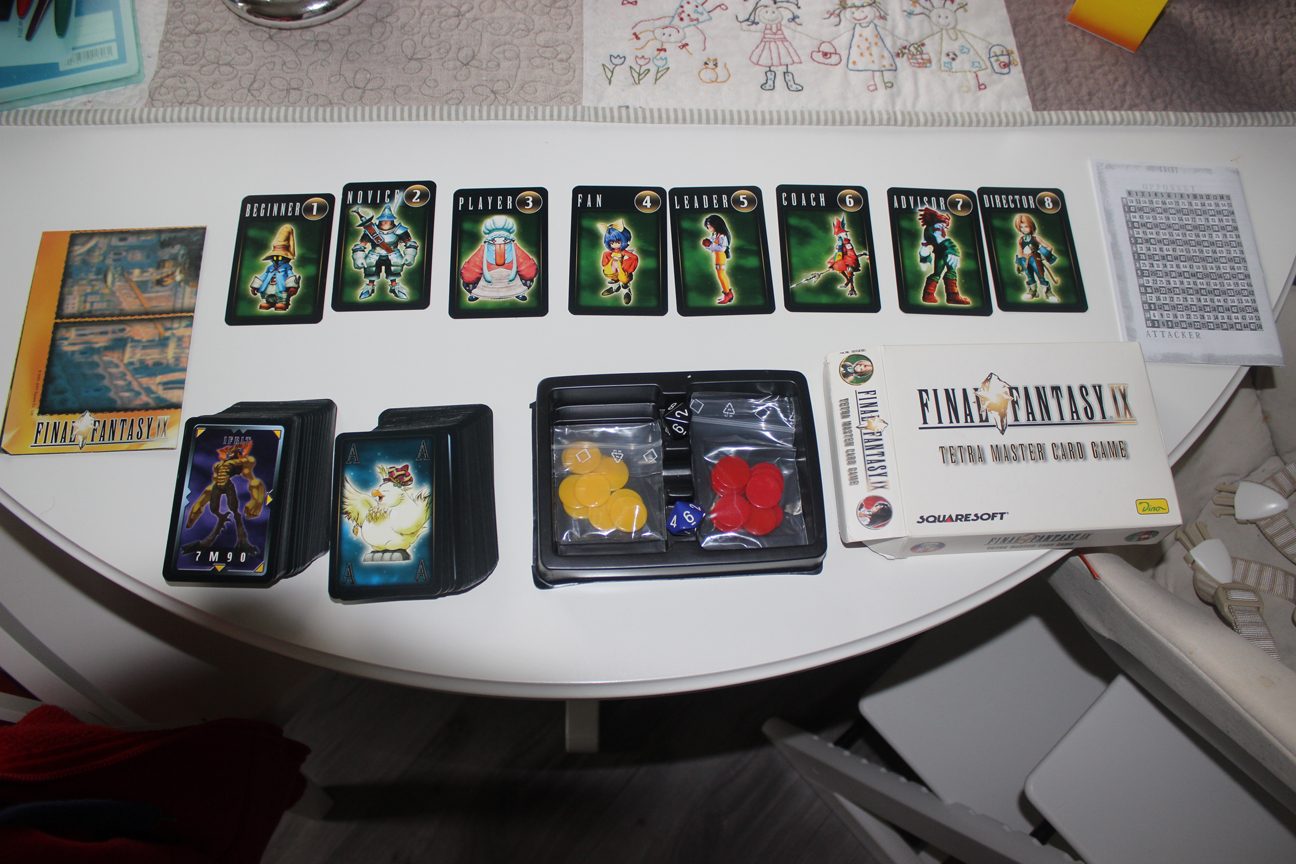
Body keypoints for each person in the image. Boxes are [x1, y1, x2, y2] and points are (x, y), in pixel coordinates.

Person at [351, 203, 419, 301]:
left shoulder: (400, 230)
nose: (385, 221)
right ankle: (370, 286)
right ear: (380, 220)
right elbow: (361, 244)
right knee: (370, 266)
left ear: (392, 220)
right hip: (374, 253)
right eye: (383, 220)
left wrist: (409, 255)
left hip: (393, 254)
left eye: (388, 220)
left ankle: (394, 286)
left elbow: (410, 243)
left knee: (395, 267)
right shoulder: (371, 230)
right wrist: (358, 257)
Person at [739, 0, 806, 92]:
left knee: (785, 61)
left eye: (773, 12)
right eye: (766, 12)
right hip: (768, 44)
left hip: (781, 44)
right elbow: (751, 28)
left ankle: (790, 82)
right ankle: (770, 82)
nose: (770, 15)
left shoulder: (782, 23)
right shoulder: (763, 25)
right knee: (769, 61)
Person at [917, 207, 969, 305]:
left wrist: (924, 255)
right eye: (944, 224)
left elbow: (924, 243)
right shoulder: (938, 226)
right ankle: (953, 296)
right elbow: (939, 238)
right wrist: (952, 249)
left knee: (937, 273)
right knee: (951, 270)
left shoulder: (928, 228)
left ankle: (928, 295)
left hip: (938, 251)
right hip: (944, 250)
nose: (944, 227)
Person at [1013, 213, 1059, 302]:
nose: (1023, 229)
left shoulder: (1035, 239)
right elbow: (1020, 251)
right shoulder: (1021, 239)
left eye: (1026, 226)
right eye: (1021, 227)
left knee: (1040, 275)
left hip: (1035, 259)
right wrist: (1018, 263)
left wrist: (1042, 256)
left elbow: (1049, 247)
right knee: (1029, 276)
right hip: (1025, 260)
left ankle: (1048, 292)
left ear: (1031, 226)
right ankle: (1033, 291)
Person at [600, 220, 640, 305]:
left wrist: (626, 256)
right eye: (611, 243)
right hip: (613, 265)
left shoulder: (623, 252)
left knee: (624, 278)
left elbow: (634, 257)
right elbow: (606, 256)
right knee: (611, 274)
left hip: (621, 266)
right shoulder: (610, 252)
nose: (614, 245)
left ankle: (626, 291)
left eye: (618, 242)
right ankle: (615, 287)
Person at [701, 214, 734, 304]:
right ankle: (728, 294)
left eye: (710, 226)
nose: (709, 229)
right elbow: (712, 245)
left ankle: (728, 295)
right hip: (718, 257)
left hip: (721, 257)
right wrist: (707, 244)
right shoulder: (716, 235)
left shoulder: (722, 236)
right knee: (720, 275)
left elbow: (722, 248)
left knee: (721, 276)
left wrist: (710, 245)